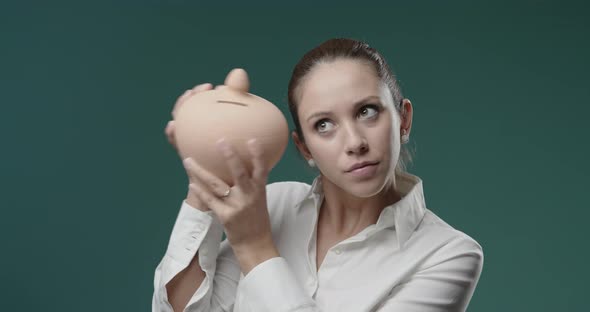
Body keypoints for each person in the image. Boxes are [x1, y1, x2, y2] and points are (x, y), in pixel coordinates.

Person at [153, 38, 484, 312]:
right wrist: (206, 169)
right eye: (323, 125)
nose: (355, 143)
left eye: (367, 111)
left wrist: (255, 248)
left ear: (403, 119)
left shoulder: (448, 254)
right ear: (305, 148)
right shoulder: (272, 205)